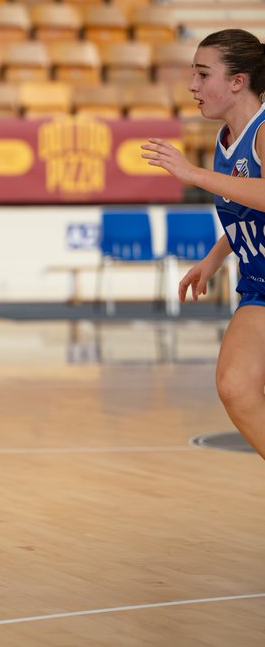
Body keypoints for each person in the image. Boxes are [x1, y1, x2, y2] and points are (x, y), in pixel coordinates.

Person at [142, 28, 265, 460]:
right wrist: (215, 257)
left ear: (238, 81)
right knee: (235, 386)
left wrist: (193, 174)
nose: (192, 86)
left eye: (202, 74)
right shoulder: (226, 139)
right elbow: (246, 205)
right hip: (259, 286)